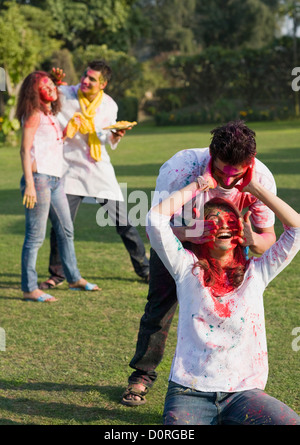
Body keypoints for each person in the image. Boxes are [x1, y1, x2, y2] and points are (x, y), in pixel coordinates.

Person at [121, 120, 277, 406]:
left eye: (237, 175)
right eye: (221, 172)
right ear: (210, 155)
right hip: (179, 242)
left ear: (250, 162)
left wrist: (252, 239)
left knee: (226, 313)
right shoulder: (180, 168)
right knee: (160, 307)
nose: (228, 182)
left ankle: (232, 383)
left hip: (230, 249)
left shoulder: (261, 180)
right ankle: (141, 376)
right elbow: (154, 227)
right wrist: (189, 234)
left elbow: (269, 238)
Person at [146, 167, 300, 425]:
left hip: (244, 393)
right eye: (213, 220)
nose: (222, 225)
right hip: (189, 391)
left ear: (240, 230)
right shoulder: (186, 268)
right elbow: (155, 219)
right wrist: (199, 185)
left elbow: (296, 229)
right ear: (201, 231)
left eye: (230, 220)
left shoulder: (257, 272)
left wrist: (256, 189)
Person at [39, 60, 149, 290]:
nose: (85, 81)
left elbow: (106, 137)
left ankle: (145, 269)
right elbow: (43, 93)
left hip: (98, 169)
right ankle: (57, 274)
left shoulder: (109, 105)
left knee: (124, 223)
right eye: (85, 76)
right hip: (67, 169)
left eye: (92, 79)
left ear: (103, 84)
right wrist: (51, 80)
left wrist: (116, 135)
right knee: (60, 225)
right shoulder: (64, 94)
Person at [16, 71, 100, 302]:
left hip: (55, 179)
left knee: (66, 230)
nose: (53, 89)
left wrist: (66, 133)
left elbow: (49, 146)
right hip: (39, 180)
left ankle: (74, 278)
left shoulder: (49, 113)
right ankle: (29, 288)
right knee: (35, 236)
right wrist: (30, 184)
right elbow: (25, 150)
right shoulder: (33, 114)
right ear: (35, 91)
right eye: (47, 86)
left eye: (53, 85)